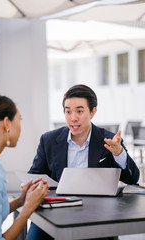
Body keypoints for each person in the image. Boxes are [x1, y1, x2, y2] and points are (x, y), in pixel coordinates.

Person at [26, 84, 140, 240]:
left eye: (79, 111)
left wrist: (119, 153)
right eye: (68, 111)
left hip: (96, 215)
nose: (73, 118)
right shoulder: (49, 140)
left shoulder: (109, 140)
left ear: (93, 112)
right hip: (54, 211)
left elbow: (132, 179)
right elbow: (35, 175)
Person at [0, 94, 50, 240]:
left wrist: (20, 201)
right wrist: (26, 210)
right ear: (7, 123)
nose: (20, 127)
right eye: (19, 120)